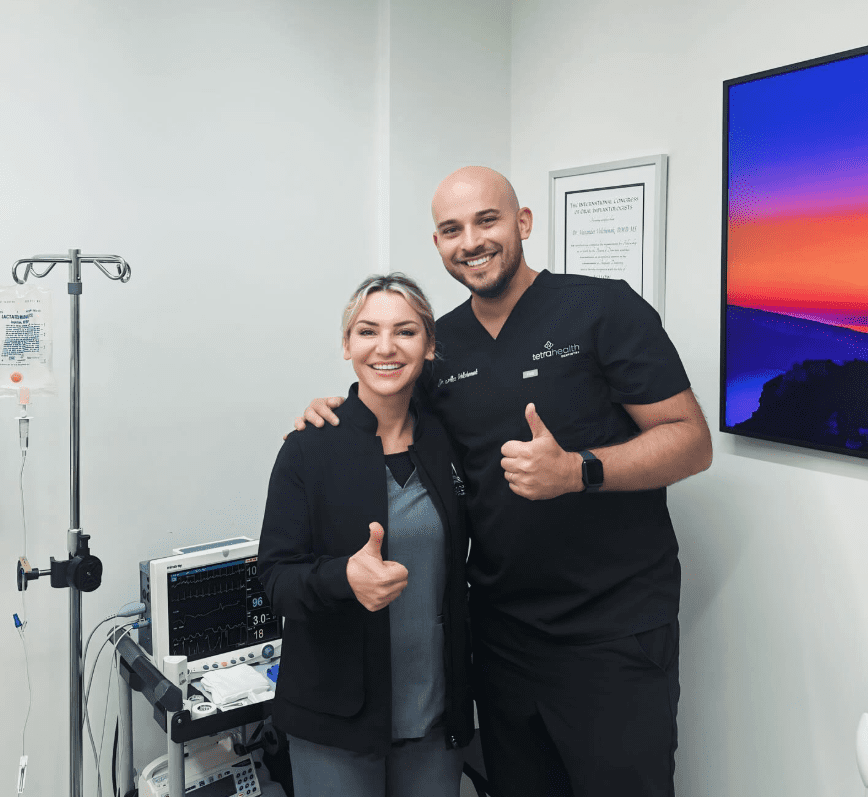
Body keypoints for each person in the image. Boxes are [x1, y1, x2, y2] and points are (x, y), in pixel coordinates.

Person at [294, 167, 713, 797]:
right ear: (437, 245)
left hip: (611, 629)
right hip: (501, 636)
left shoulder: (602, 308)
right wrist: (328, 415)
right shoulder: (443, 348)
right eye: (450, 229)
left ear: (523, 224)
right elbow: (389, 405)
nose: (471, 241)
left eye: (486, 221)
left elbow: (691, 441)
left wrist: (578, 470)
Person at [258, 273, 474, 797]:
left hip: (432, 716)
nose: (385, 347)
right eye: (367, 331)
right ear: (347, 344)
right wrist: (342, 578)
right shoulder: (308, 450)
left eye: (405, 332)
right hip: (336, 720)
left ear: (429, 345)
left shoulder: (448, 439)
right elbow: (273, 578)